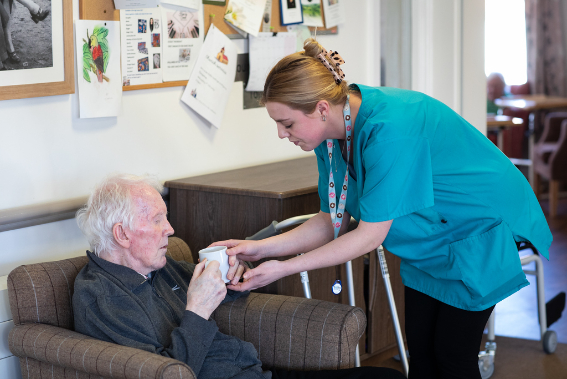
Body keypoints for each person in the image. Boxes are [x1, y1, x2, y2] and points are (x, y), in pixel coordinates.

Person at [210, 38, 553, 379]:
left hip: (477, 226)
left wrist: (281, 269)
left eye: (287, 124)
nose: (282, 135)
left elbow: (369, 236)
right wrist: (258, 249)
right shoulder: (330, 136)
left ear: (321, 108)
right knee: (421, 356)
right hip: (431, 237)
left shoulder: (389, 129)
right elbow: (333, 219)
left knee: (452, 358)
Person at [73, 174, 405, 379]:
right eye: (158, 220)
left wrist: (235, 278)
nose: (170, 230)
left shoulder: (156, 266)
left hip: (253, 371)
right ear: (122, 234)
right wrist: (198, 310)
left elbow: (224, 289)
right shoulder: (103, 298)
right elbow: (171, 372)